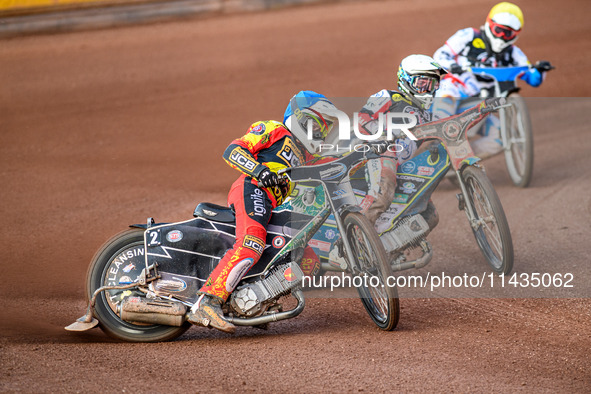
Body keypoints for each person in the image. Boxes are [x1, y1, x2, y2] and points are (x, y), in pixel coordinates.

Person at [187, 91, 340, 333]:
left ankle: (257, 300)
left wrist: (370, 151)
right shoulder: (275, 130)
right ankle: (208, 301)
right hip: (253, 188)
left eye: (325, 129)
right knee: (252, 244)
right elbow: (233, 150)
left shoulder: (307, 156)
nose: (321, 134)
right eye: (318, 126)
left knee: (309, 261)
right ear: (301, 118)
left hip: (275, 206)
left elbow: (336, 163)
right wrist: (260, 171)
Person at [432, 2, 552, 158]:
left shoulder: (514, 54)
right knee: (445, 103)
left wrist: (541, 70)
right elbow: (440, 55)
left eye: (507, 34)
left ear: (516, 34)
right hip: (455, 88)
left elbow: (533, 79)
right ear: (489, 24)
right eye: (499, 30)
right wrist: (452, 65)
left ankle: (459, 161)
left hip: (480, 106)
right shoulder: (469, 36)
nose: (501, 37)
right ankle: (435, 142)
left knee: (502, 137)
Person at [356, 54, 447, 225]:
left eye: (432, 84)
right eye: (421, 84)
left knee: (428, 213)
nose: (428, 90)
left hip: (402, 166)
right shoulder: (389, 97)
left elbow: (449, 128)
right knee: (383, 194)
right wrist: (381, 136)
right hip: (376, 155)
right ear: (405, 80)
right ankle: (356, 235)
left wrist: (479, 111)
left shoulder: (427, 115)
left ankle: (393, 248)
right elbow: (362, 117)